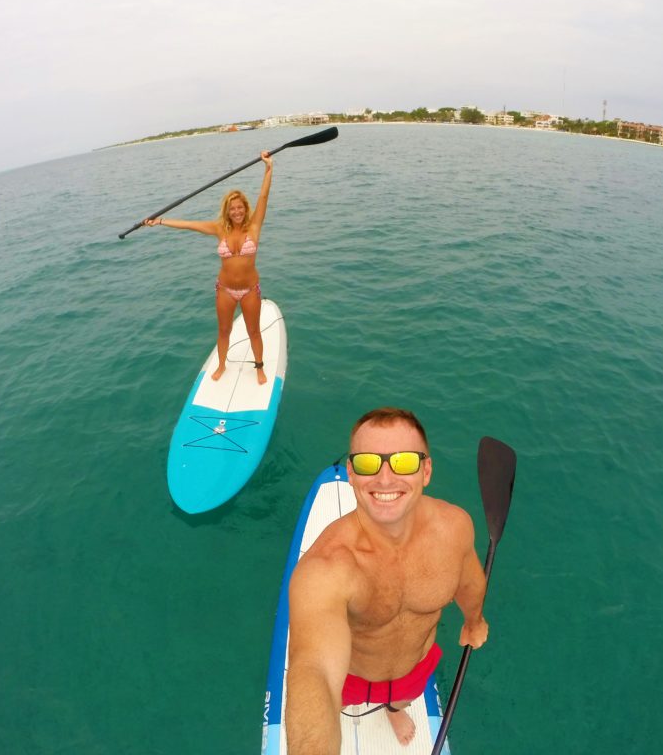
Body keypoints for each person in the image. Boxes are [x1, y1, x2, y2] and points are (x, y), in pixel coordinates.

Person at [285, 407, 489, 753]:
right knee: (331, 707)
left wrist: (474, 620)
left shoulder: (455, 527)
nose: (384, 479)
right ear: (351, 472)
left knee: (405, 697)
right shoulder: (325, 568)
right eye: (368, 463)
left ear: (426, 470)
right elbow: (315, 670)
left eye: (404, 461)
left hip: (413, 667)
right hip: (349, 677)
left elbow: (468, 581)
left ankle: (395, 710)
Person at [143, 151, 273, 385]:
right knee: (224, 331)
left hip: (250, 290)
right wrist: (160, 221)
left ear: (245, 208)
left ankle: (259, 367)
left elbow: (263, 197)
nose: (236, 212)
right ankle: (222, 365)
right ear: (227, 210)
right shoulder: (218, 229)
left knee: (254, 331)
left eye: (240, 207)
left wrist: (268, 168)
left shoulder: (254, 226)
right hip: (224, 290)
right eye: (232, 208)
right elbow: (189, 225)